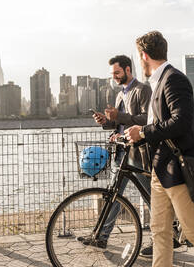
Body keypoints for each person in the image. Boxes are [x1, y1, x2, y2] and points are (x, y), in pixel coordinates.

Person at [125, 31, 194, 267]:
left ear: (144, 55)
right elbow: (158, 125)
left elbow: (180, 122)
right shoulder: (160, 81)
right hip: (160, 169)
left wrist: (142, 133)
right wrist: (133, 133)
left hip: (180, 171)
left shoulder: (174, 79)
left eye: (139, 57)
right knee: (160, 231)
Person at [80, 54, 154, 257]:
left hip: (138, 155)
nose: (114, 77)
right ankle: (101, 237)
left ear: (128, 70)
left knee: (151, 199)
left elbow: (147, 120)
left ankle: (165, 238)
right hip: (121, 154)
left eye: (117, 73)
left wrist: (118, 117)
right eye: (112, 74)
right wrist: (106, 122)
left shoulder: (142, 89)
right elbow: (120, 125)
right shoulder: (121, 94)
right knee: (113, 196)